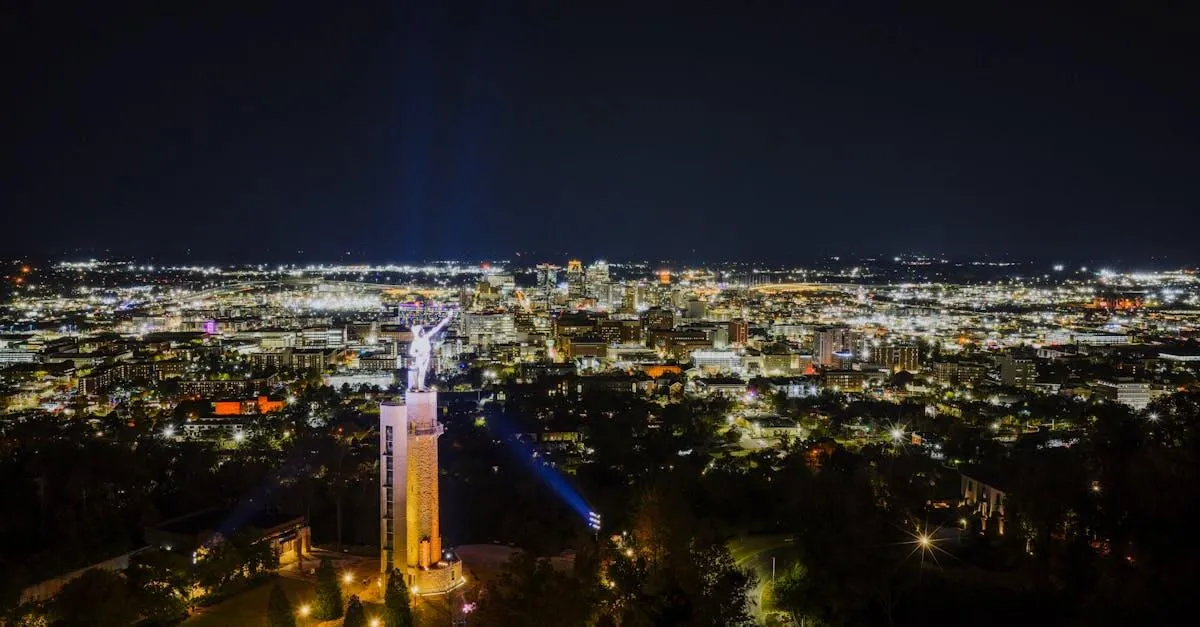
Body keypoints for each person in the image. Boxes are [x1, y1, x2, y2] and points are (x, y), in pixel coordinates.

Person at [408, 312, 453, 390]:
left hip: (426, 356)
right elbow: (411, 352)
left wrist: (445, 320)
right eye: (421, 331)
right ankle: (420, 388)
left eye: (422, 330)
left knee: (423, 372)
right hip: (421, 357)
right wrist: (419, 354)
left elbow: (435, 329)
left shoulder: (425, 337)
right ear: (418, 333)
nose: (423, 331)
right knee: (421, 373)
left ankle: (420, 385)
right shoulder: (416, 341)